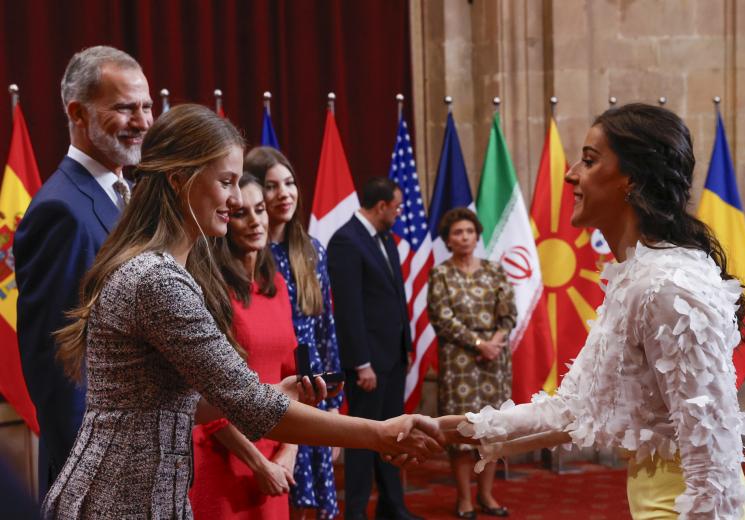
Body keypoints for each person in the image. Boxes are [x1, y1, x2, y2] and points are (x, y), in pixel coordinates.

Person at [41, 104, 443, 519]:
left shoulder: (161, 269)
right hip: (121, 501)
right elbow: (252, 408)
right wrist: (382, 433)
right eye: (227, 183)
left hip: (136, 495)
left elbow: (168, 403)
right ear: (180, 181)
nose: (236, 201)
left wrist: (275, 393)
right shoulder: (157, 280)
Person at [441, 103, 745, 519]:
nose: (570, 173)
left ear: (631, 179)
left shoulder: (668, 287)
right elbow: (573, 408)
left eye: (590, 161)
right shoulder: (635, 277)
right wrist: (451, 428)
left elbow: (713, 451)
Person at [14, 45, 152, 494]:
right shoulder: (61, 210)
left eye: (146, 106)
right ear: (78, 112)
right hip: (99, 475)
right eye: (125, 108)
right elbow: (58, 363)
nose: (144, 121)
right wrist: (93, 477)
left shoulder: (124, 193)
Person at [189, 175, 298, 519]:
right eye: (240, 213)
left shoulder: (276, 283)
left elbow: (291, 376)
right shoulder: (209, 288)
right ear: (224, 221)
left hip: (276, 457)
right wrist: (259, 463)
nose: (254, 221)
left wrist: (288, 452)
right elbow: (205, 389)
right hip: (224, 457)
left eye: (260, 209)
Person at [245, 146, 343, 519]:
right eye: (271, 186)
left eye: (289, 183)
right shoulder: (248, 252)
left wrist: (333, 404)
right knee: (278, 491)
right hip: (270, 377)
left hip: (312, 383)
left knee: (314, 497)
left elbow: (325, 327)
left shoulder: (311, 249)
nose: (283, 193)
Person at [327, 177, 421, 520]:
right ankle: (355, 512)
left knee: (394, 436)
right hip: (368, 363)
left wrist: (406, 346)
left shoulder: (386, 239)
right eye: (395, 207)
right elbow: (348, 309)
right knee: (364, 440)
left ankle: (392, 506)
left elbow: (397, 296)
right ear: (380, 206)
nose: (398, 213)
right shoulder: (345, 241)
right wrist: (361, 363)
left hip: (393, 357)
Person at [427, 207, 517, 518]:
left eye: (469, 232)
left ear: (477, 236)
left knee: (492, 430)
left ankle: (487, 495)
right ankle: (464, 498)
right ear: (448, 240)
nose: (464, 237)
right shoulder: (441, 273)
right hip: (458, 360)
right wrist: (478, 343)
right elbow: (441, 317)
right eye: (457, 233)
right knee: (463, 431)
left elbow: (509, 313)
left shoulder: (495, 270)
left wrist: (494, 342)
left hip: (495, 361)